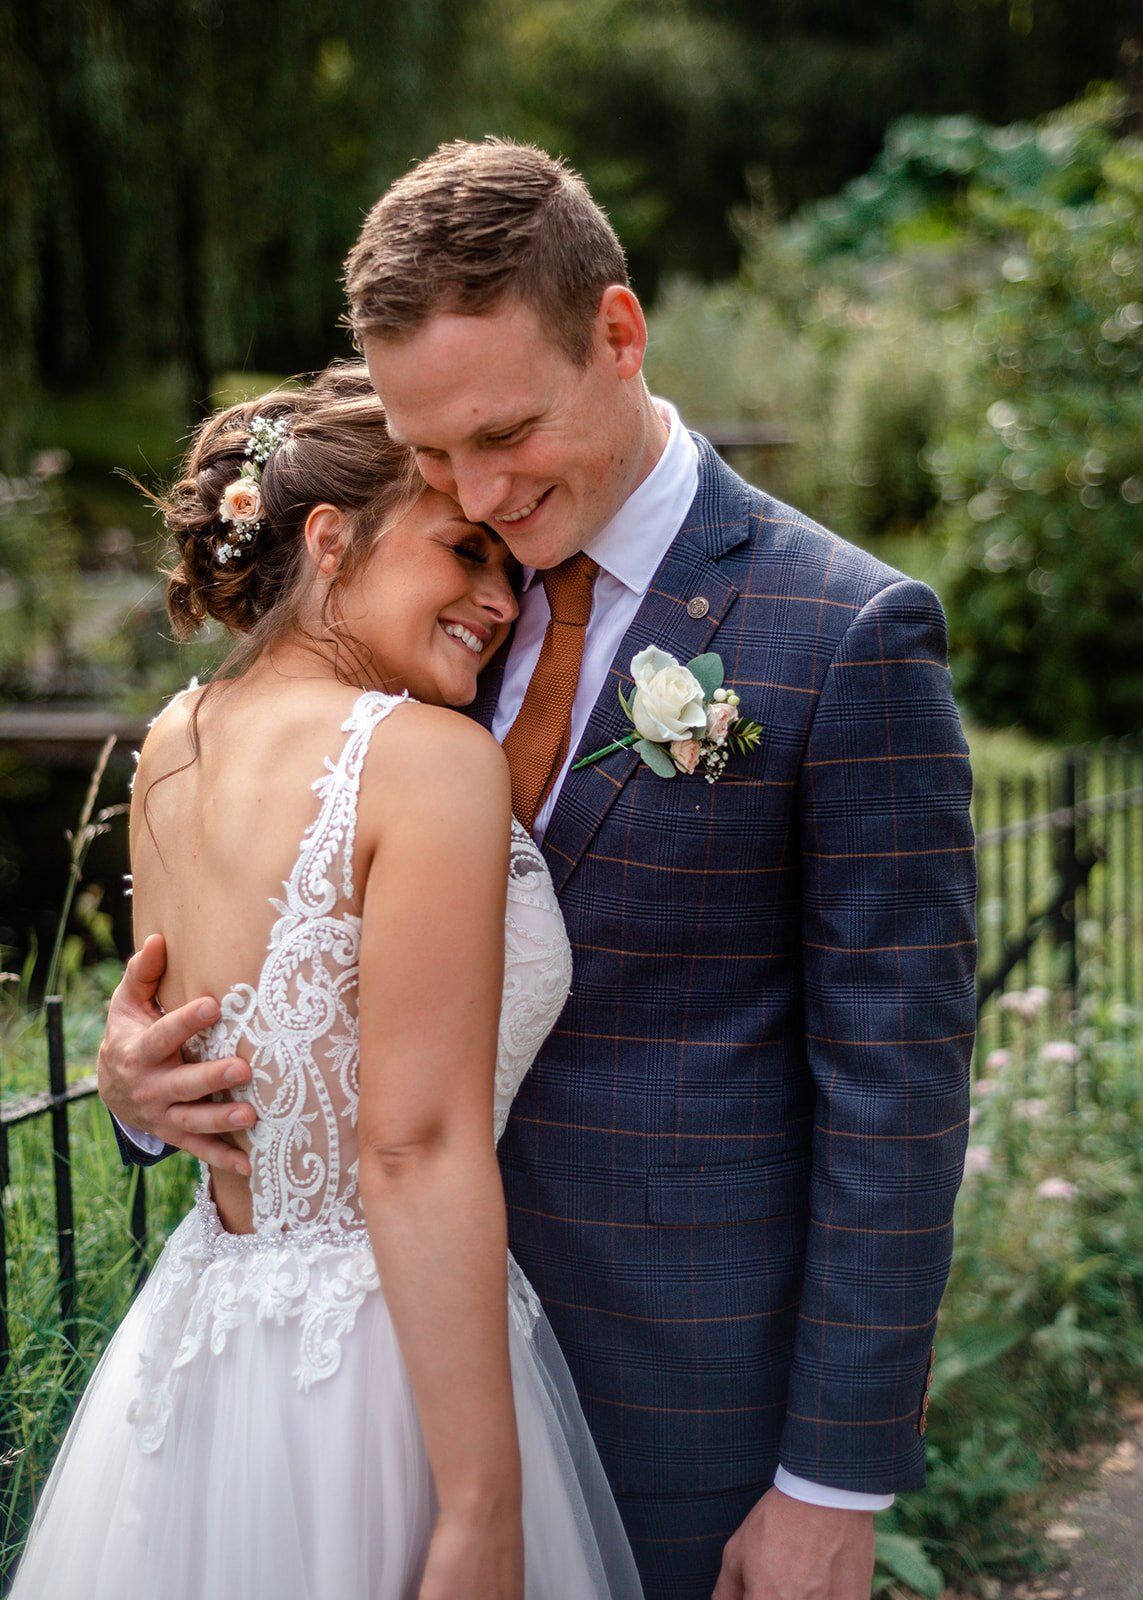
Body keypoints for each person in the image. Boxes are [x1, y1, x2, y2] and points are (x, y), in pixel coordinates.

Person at [98, 139, 977, 1600]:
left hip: (677, 1398)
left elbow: (894, 1088)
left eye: (505, 432)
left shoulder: (840, 637)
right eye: (430, 453)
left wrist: (833, 1474)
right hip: (371, 1393)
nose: (478, 491)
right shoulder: (417, 633)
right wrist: (150, 1087)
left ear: (616, 335)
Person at [12, 362, 644, 1600]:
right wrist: (478, 1510)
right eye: (464, 551)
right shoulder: (424, 761)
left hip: (207, 1340)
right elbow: (408, 1148)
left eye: (509, 569)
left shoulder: (174, 740)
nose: (499, 600)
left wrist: (127, 1090)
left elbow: (220, 1038)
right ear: (327, 537)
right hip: (382, 1361)